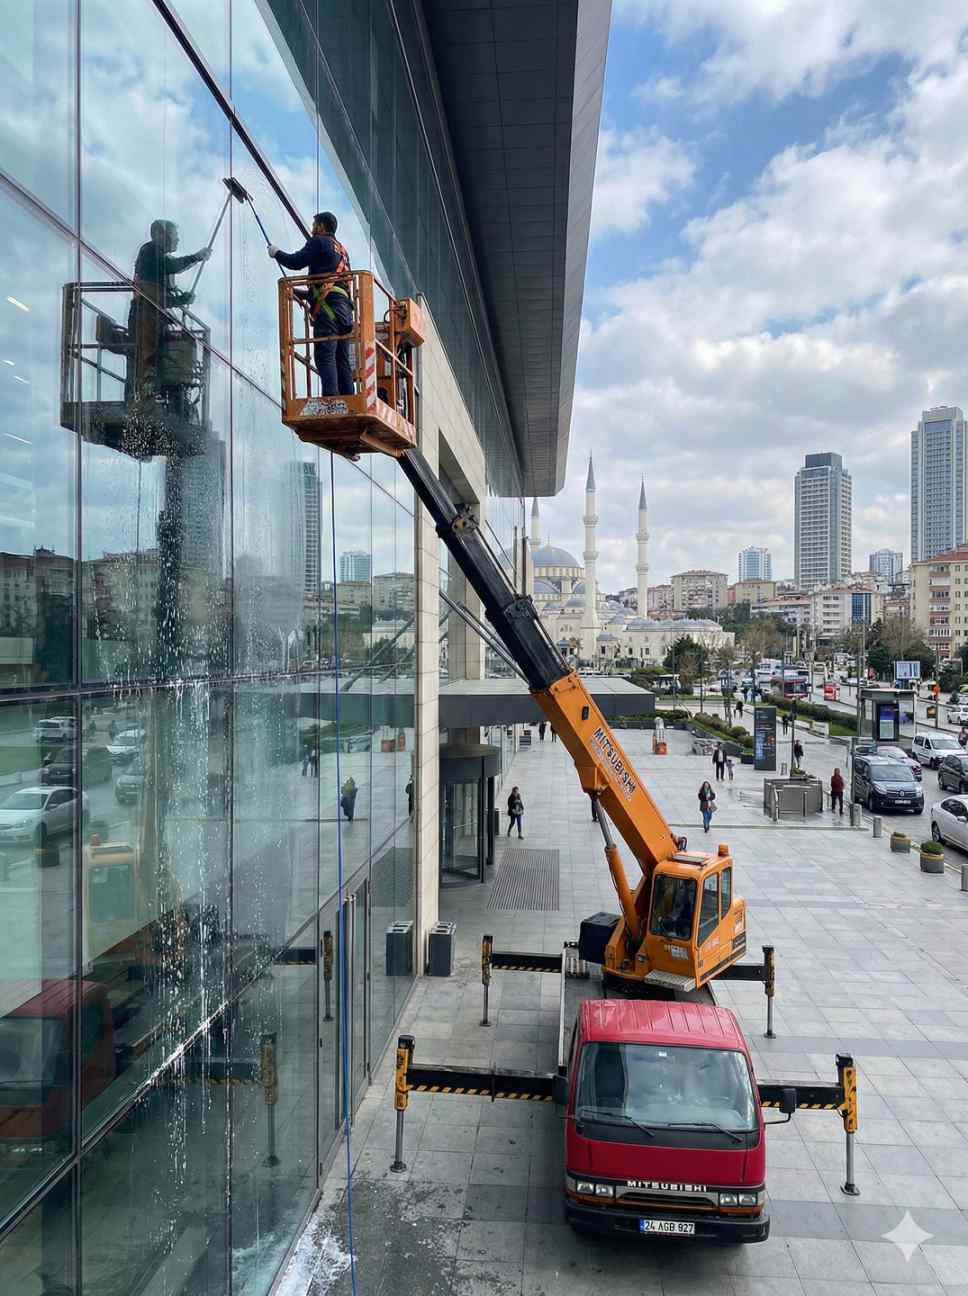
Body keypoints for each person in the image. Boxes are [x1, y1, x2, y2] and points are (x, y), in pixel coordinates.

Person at [270, 211, 354, 397]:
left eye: (315, 224)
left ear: (322, 226)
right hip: (344, 311)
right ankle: (349, 400)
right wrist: (300, 293)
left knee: (325, 354)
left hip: (328, 310)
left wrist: (277, 253)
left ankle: (331, 401)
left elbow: (296, 262)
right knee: (342, 358)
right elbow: (331, 285)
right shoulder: (341, 250)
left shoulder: (319, 241)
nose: (312, 228)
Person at [128, 219, 211, 398]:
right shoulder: (149, 251)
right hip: (145, 314)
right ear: (159, 234)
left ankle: (153, 392)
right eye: (174, 234)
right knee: (146, 358)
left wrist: (180, 299)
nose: (177, 239)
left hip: (151, 313)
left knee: (156, 357)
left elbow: (161, 298)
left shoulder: (155, 257)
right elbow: (169, 269)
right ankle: (145, 394)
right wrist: (196, 257)